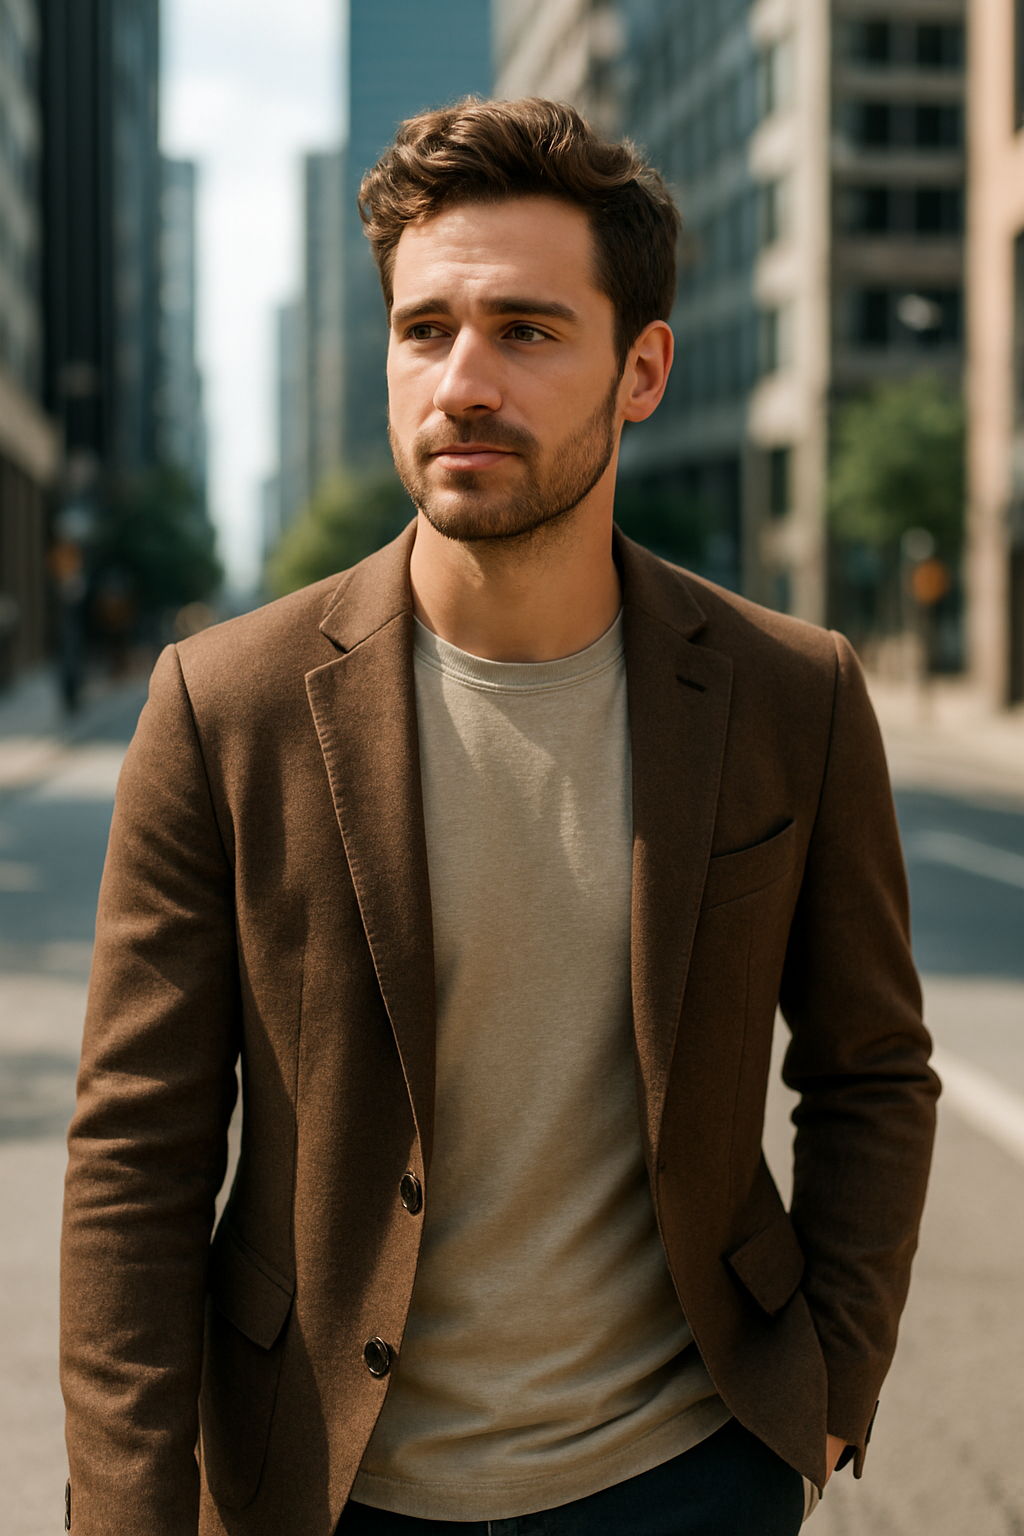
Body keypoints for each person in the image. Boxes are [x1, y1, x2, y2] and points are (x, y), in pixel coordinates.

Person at [60, 99, 939, 1536]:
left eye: (527, 332)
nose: (462, 381)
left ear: (641, 369)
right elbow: (137, 1158)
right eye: (426, 329)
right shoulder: (224, 706)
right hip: (325, 1488)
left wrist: (835, 1372)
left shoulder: (795, 695)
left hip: (685, 1474)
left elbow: (873, 1071)